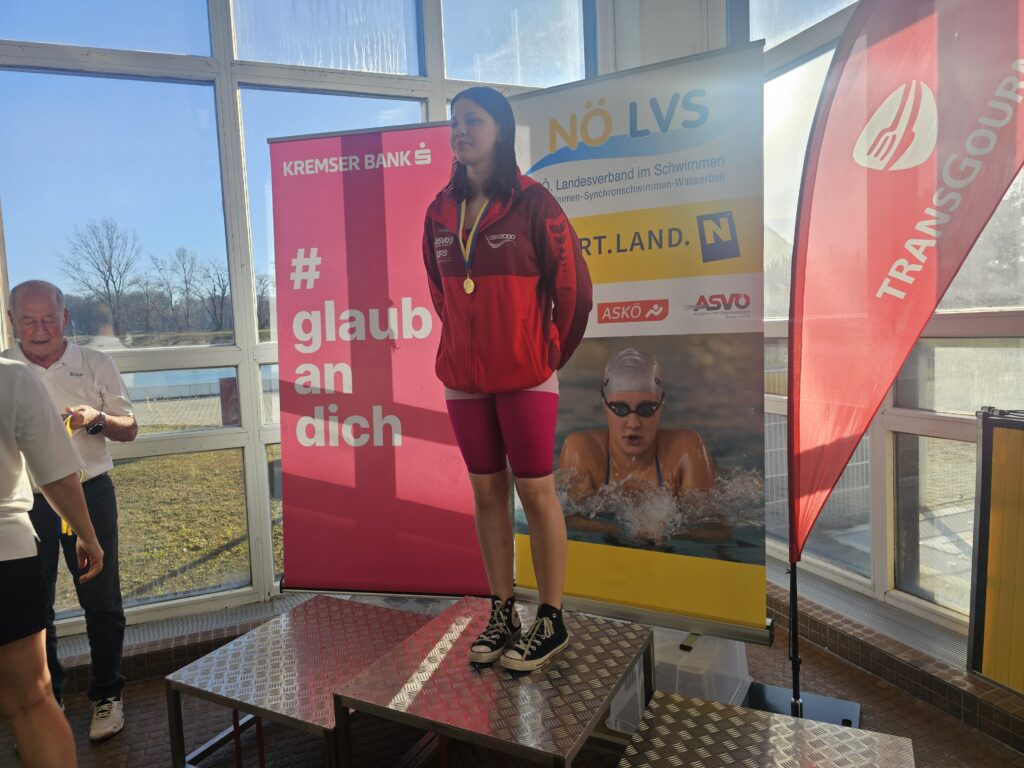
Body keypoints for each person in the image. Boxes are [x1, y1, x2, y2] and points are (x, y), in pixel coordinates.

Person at [422, 86, 592, 672]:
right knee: (487, 491)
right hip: (464, 379)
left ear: (501, 129)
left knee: (535, 491)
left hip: (526, 377)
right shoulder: (440, 212)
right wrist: (463, 341)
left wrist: (545, 354)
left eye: (472, 120)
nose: (459, 131)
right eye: (454, 122)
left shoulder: (535, 204)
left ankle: (551, 617)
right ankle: (503, 610)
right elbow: (440, 292)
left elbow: (575, 292)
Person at [3, 280, 138, 741]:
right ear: (12, 321)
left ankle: (108, 694)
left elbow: (130, 428)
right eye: (28, 320)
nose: (40, 329)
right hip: (27, 504)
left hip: (90, 493)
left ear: (65, 318)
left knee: (101, 600)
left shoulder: (96, 362)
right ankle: (48, 701)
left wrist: (94, 419)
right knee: (34, 607)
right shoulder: (5, 370)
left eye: (49, 319)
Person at [1, 355, 104, 768]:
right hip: (6, 552)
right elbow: (57, 474)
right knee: (31, 702)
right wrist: (87, 536)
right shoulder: (10, 376)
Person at [559, 348, 715, 502]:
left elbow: (705, 518)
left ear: (661, 405)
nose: (633, 424)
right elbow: (570, 516)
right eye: (620, 409)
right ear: (604, 405)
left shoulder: (687, 451)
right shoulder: (581, 451)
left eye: (646, 409)